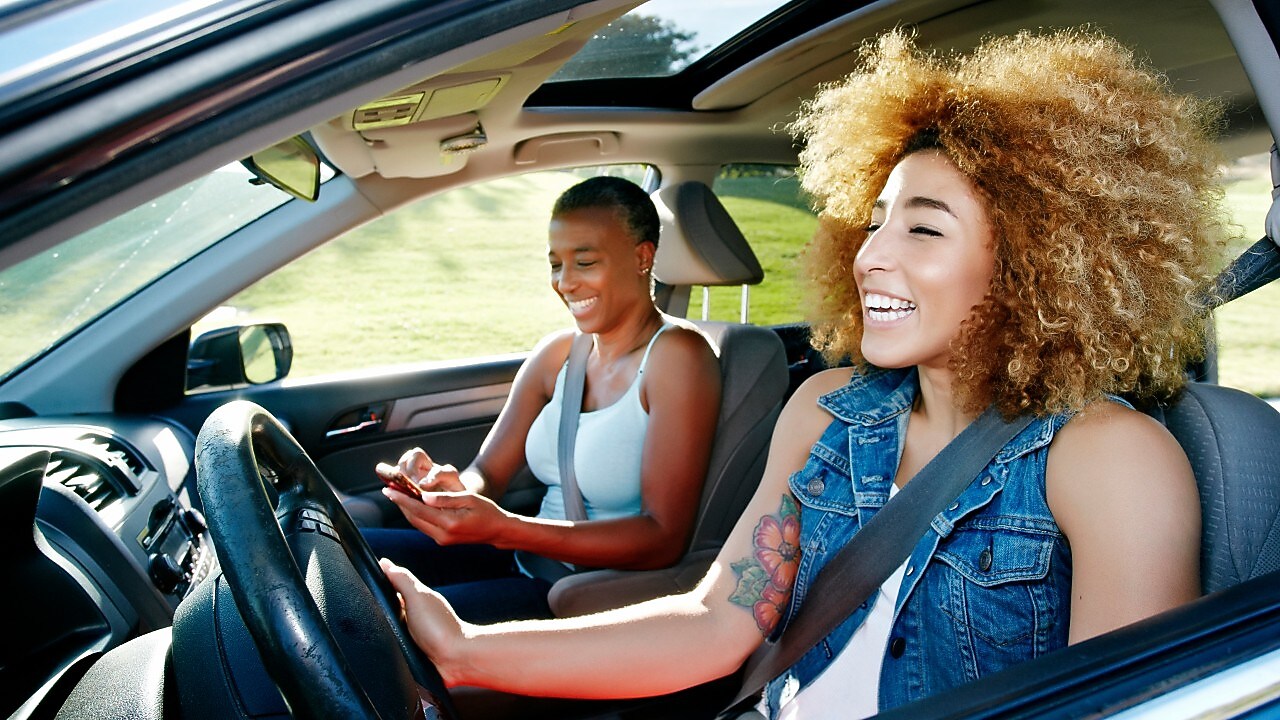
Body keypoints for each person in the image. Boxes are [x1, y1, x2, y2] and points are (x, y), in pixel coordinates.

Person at [381, 29, 1221, 717]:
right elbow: (717, 622)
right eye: (876, 220)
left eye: (923, 231)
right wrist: (467, 649)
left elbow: (1128, 707)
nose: (872, 255)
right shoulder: (826, 409)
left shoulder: (1109, 459)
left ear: (1040, 263)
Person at [368, 175, 722, 624]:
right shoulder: (557, 354)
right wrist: (451, 488)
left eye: (586, 262)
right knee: (344, 551)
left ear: (642, 256)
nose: (565, 283)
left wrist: (504, 528)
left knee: (379, 623)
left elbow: (662, 538)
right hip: (522, 560)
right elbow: (488, 473)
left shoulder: (678, 357)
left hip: (588, 596)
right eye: (556, 264)